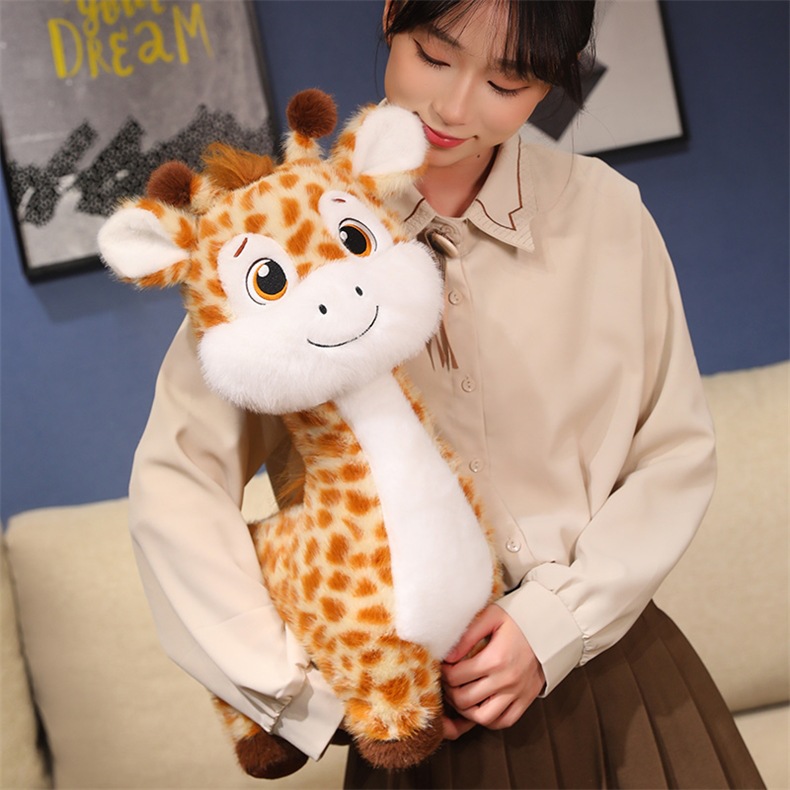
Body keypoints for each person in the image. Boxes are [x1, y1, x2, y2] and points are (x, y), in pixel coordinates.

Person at [128, 0, 765, 787]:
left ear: (550, 83)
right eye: (434, 57)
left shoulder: (605, 212)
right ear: (393, 13)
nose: (455, 108)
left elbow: (673, 453)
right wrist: (305, 694)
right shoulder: (278, 235)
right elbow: (176, 486)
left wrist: (558, 621)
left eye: (507, 82)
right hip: (422, 730)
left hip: (620, 688)